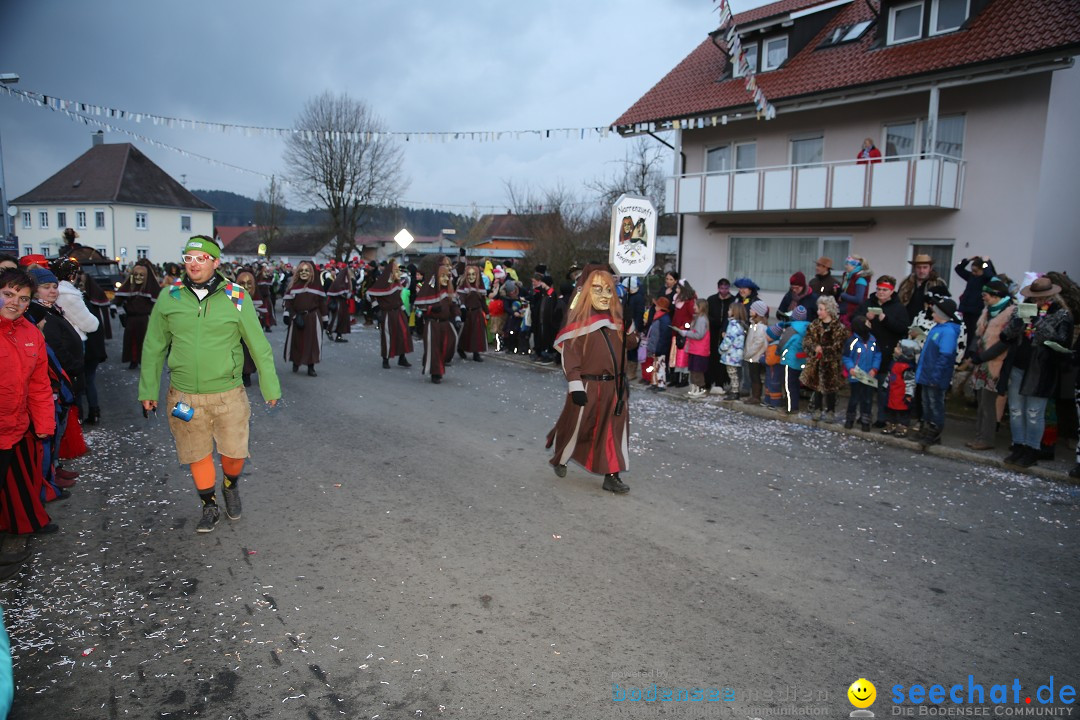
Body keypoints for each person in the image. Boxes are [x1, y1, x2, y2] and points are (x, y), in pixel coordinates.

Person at [138, 237, 281, 533]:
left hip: (228, 392)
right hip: (184, 395)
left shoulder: (236, 295)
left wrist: (270, 385)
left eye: (201, 258)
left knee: (234, 454)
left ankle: (230, 485)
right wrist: (148, 390)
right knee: (196, 453)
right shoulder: (170, 296)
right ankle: (209, 505)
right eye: (189, 258)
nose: (194, 264)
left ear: (216, 262)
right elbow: (154, 346)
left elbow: (257, 343)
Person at [546, 267, 638, 494]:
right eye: (597, 289)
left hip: (615, 388)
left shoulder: (617, 319)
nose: (605, 295)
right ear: (587, 292)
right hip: (587, 386)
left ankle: (612, 476)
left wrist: (629, 325)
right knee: (578, 428)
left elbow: (632, 343)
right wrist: (575, 386)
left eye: (609, 290)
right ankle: (561, 457)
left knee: (613, 431)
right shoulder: (578, 324)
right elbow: (570, 358)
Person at [0, 268, 58, 536]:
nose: (15, 303)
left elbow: (38, 385)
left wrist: (44, 422)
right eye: (8, 295)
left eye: (23, 299)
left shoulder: (31, 333)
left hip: (16, 428)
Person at [999, 277, 1074, 468]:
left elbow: (1062, 342)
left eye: (1043, 297)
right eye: (1035, 297)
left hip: (1041, 370)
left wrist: (1039, 322)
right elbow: (1005, 336)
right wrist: (1018, 323)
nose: (1038, 301)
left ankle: (1032, 449)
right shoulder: (1022, 309)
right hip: (1018, 365)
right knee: (1016, 410)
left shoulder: (1062, 314)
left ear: (1052, 295)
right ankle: (1018, 446)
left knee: (1034, 412)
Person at [854, 275, 910, 427]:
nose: (881, 292)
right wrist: (865, 318)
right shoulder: (867, 303)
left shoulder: (898, 308)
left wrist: (886, 320)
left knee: (882, 389)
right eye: (878, 289)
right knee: (865, 387)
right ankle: (865, 415)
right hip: (866, 353)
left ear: (892, 291)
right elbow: (854, 321)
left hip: (886, 353)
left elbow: (903, 329)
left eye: (884, 290)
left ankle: (882, 418)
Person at [966, 278, 1015, 450]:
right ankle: (979, 436)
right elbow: (978, 334)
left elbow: (1005, 342)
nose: (983, 298)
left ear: (996, 296)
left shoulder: (1010, 313)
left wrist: (982, 357)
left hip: (995, 364)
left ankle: (987, 439)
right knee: (981, 403)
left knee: (988, 404)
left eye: (985, 295)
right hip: (982, 363)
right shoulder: (987, 311)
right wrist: (973, 353)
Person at [914, 297, 962, 446]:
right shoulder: (938, 328)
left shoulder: (947, 331)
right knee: (927, 402)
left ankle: (934, 431)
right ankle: (927, 427)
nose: (932, 313)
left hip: (934, 376)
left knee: (935, 404)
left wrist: (936, 376)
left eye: (934, 311)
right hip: (927, 374)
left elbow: (945, 356)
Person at [800, 296, 847, 423]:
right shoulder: (814, 325)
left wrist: (825, 350)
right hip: (816, 362)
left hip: (831, 363)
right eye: (818, 309)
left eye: (821, 309)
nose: (818, 312)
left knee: (831, 388)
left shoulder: (838, 327)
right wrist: (814, 347)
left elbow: (839, 345)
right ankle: (817, 409)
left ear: (829, 310)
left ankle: (830, 411)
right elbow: (807, 340)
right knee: (817, 387)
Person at [113, 259, 161, 369]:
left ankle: (143, 360)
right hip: (131, 319)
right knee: (132, 340)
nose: (138, 277)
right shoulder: (129, 287)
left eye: (141, 275)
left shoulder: (150, 288)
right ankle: (133, 360)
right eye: (136, 275)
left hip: (144, 319)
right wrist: (113, 306)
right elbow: (118, 298)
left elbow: (158, 302)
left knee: (145, 341)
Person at [414, 264, 459, 384]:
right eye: (442, 276)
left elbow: (453, 306)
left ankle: (437, 365)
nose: (445, 278)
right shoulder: (430, 290)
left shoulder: (449, 291)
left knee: (449, 344)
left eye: (447, 276)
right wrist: (431, 309)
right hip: (432, 324)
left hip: (445, 323)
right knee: (434, 349)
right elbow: (420, 306)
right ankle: (436, 372)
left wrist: (458, 316)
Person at [283, 260, 328, 377]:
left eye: (307, 270)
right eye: (301, 270)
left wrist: (325, 319)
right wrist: (289, 315)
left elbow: (322, 304)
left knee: (312, 343)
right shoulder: (293, 287)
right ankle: (296, 362)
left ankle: (311, 366)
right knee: (297, 342)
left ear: (312, 273)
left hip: (313, 318)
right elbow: (288, 303)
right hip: (297, 317)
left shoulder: (317, 287)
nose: (304, 272)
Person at [367, 259, 414, 369]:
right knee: (387, 336)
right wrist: (377, 308)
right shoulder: (383, 282)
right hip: (387, 313)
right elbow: (371, 294)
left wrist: (403, 310)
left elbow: (398, 298)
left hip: (398, 312)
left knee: (403, 334)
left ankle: (402, 357)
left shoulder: (397, 283)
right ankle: (386, 359)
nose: (398, 272)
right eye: (396, 270)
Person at [843, 316, 881, 432]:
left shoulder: (873, 340)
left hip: (869, 374)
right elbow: (846, 357)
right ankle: (850, 419)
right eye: (867, 323)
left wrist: (874, 368)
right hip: (856, 374)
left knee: (867, 399)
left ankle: (865, 421)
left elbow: (877, 355)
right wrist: (851, 368)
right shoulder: (852, 341)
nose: (869, 324)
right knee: (854, 398)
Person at [954, 256, 997, 355]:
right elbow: (958, 268)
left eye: (976, 271)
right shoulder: (971, 277)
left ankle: (969, 356)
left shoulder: (986, 279)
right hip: (966, 310)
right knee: (964, 335)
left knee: (973, 336)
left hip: (976, 311)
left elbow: (989, 273)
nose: (973, 273)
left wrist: (986, 262)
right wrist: (968, 260)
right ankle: (962, 355)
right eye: (972, 270)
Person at [772, 305, 811, 414]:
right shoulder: (807, 328)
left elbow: (783, 342)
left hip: (789, 360)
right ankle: (794, 405)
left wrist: (778, 352)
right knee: (795, 384)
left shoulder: (791, 329)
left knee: (788, 385)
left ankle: (790, 407)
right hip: (801, 360)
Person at [674, 299, 710, 398]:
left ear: (701, 307)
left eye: (695, 306)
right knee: (693, 370)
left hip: (699, 350)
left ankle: (700, 390)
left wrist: (685, 333)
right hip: (695, 349)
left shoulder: (702, 319)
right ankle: (694, 389)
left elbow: (699, 335)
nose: (693, 307)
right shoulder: (698, 318)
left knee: (697, 371)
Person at [882, 340, 919, 437]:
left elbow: (910, 382)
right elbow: (890, 376)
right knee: (890, 409)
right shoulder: (894, 362)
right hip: (892, 391)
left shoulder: (907, 368)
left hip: (902, 394)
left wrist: (909, 394)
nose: (895, 349)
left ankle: (902, 427)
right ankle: (891, 424)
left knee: (903, 411)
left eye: (898, 348)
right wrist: (885, 385)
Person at [706, 278, 735, 394]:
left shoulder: (733, 300)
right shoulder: (712, 299)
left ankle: (721, 382)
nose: (724, 291)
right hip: (713, 331)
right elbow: (707, 314)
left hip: (726, 332)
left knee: (723, 359)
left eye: (726, 288)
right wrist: (714, 321)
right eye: (722, 288)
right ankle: (709, 380)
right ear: (718, 288)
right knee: (712, 356)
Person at [899, 253, 948, 321]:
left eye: (925, 267)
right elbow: (899, 302)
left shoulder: (938, 283)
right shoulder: (906, 282)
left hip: (928, 323)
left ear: (930, 268)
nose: (921, 271)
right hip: (906, 322)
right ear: (914, 268)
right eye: (919, 267)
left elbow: (944, 306)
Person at [456, 264, 489, 362]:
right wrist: (462, 307)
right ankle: (461, 348)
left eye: (473, 274)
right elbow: (461, 297)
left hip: (477, 313)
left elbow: (483, 301)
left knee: (477, 334)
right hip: (466, 313)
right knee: (465, 333)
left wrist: (486, 312)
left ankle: (476, 353)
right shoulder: (463, 286)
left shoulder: (480, 287)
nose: (471, 277)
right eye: (469, 275)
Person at [742, 300, 770, 405]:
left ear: (758, 312)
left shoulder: (761, 327)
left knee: (755, 377)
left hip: (756, 357)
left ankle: (756, 396)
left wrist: (748, 353)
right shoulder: (754, 325)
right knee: (753, 376)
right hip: (752, 356)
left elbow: (758, 343)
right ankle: (754, 395)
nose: (750, 310)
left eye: (752, 309)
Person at [718, 302, 747, 400]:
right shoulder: (739, 324)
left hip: (731, 354)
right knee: (734, 373)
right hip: (735, 354)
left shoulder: (733, 325)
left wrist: (721, 349)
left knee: (732, 373)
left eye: (730, 310)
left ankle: (735, 392)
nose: (728, 311)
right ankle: (734, 390)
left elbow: (728, 339)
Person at [645, 296, 672, 391]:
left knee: (660, 366)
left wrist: (659, 348)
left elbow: (664, 336)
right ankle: (654, 382)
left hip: (660, 347)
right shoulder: (659, 317)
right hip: (656, 346)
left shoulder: (664, 319)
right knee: (655, 365)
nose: (654, 307)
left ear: (660, 307)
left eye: (656, 305)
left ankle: (660, 384)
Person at [838, 256, 872, 327]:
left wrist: (843, 295)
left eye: (847, 264)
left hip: (854, 314)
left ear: (854, 265)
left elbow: (859, 299)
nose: (845, 266)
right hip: (846, 311)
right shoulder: (849, 277)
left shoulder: (860, 279)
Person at [326, 264, 353, 343]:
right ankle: (329, 330)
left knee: (342, 320)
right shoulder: (339, 282)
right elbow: (339, 292)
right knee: (337, 319)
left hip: (342, 304)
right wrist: (346, 294)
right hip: (338, 304)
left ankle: (339, 335)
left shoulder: (343, 281)